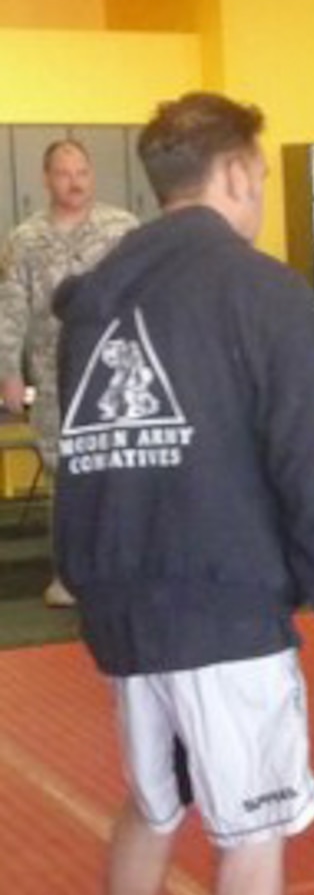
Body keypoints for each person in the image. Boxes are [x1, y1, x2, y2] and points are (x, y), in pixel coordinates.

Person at [54, 92, 314, 895]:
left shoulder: (97, 302)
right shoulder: (260, 293)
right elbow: (313, 468)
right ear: (236, 174)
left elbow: (89, 455)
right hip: (219, 606)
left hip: (122, 605)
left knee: (156, 802)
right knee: (252, 834)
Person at [0, 139, 139, 607]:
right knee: (64, 474)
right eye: (64, 173)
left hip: (116, 371)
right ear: (46, 178)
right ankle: (70, 575)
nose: (75, 181)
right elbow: (10, 310)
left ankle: (127, 568)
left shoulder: (121, 229)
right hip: (54, 373)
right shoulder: (25, 239)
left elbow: (149, 295)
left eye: (82, 171)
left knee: (123, 468)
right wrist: (8, 374)